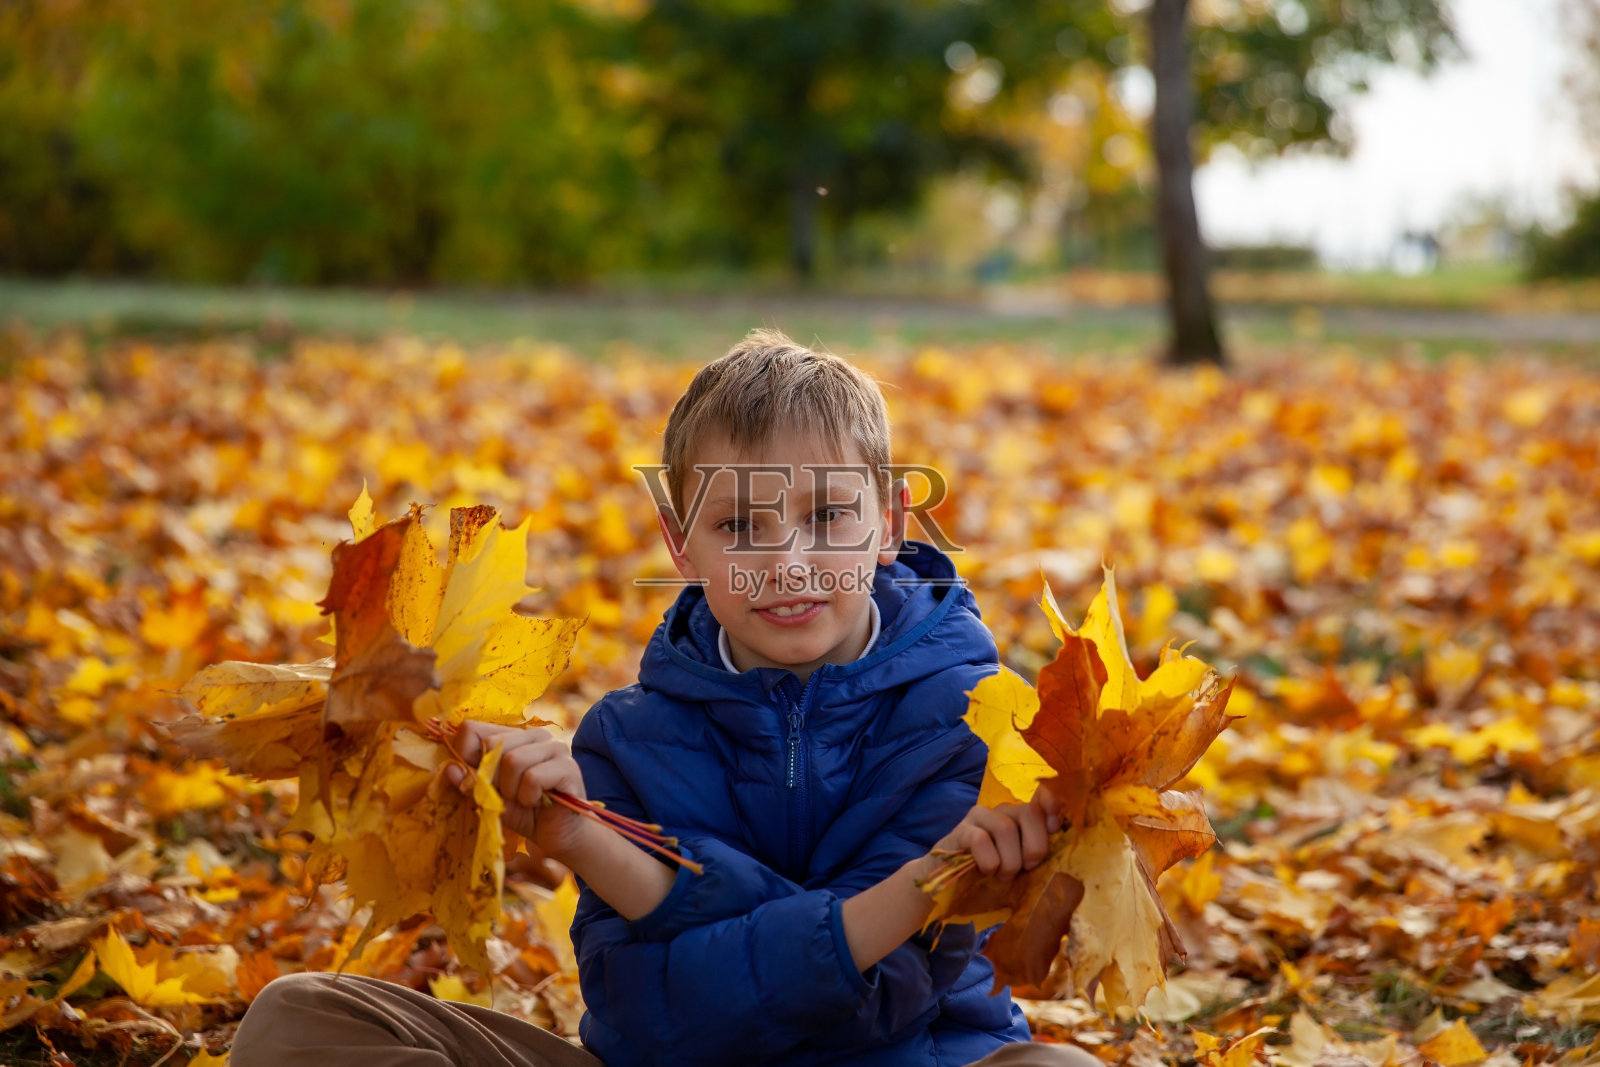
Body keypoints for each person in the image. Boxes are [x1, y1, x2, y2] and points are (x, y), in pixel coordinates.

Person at [233, 331, 1095, 1067]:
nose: (786, 562)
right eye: (738, 527)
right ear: (681, 545)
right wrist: (580, 833)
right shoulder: (623, 738)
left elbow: (874, 1006)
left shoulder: (978, 718)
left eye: (830, 515)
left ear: (892, 523)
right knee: (303, 1018)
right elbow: (646, 1009)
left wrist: (635, 868)